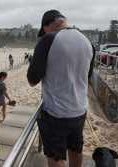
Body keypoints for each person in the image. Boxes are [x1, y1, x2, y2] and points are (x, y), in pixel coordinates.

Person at [27, 10, 95, 167]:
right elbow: (87, 76)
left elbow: (32, 80)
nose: (44, 33)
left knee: (55, 157)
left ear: (48, 25)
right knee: (76, 149)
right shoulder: (87, 41)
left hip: (55, 112)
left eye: (44, 30)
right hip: (79, 110)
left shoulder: (48, 40)